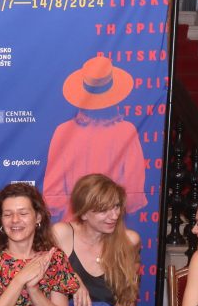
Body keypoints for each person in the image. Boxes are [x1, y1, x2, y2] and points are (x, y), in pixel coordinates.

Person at [50, 173, 147, 306]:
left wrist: (128, 293)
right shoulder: (63, 234)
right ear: (84, 213)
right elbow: (46, 270)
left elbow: (130, 285)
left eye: (116, 207)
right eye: (104, 210)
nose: (114, 215)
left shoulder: (129, 241)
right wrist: (73, 280)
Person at [43, 54, 147, 221]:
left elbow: (53, 193)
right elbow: (133, 193)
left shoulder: (64, 131)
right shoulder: (126, 130)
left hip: (81, 220)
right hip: (106, 220)